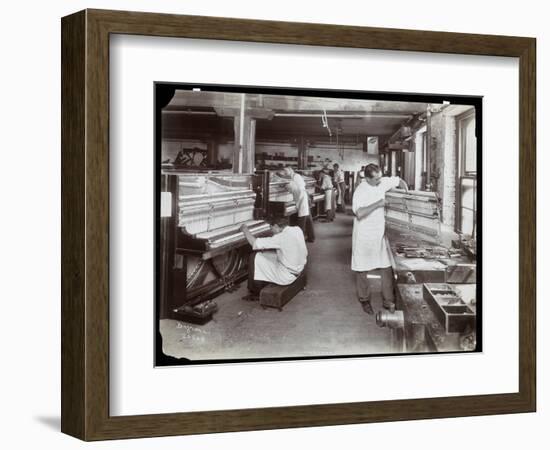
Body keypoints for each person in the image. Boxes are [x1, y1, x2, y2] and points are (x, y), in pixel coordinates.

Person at [352, 163, 408, 315]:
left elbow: (399, 181)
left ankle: (388, 301)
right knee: (362, 269)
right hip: (364, 235)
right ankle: (364, 300)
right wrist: (378, 204)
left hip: (380, 233)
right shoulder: (360, 190)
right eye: (376, 179)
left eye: (380, 177)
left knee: (386, 267)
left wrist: (406, 195)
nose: (379, 181)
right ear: (368, 178)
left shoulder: (381, 182)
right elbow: (359, 213)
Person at [240, 218, 308, 301]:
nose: (271, 231)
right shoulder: (297, 229)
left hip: (286, 276)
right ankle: (262, 282)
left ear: (276, 226)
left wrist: (245, 229)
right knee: (267, 254)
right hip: (298, 269)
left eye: (271, 228)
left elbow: (254, 243)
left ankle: (255, 292)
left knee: (254, 256)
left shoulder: (281, 237)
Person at [283, 166, 315, 242]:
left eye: (286, 171)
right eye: (285, 172)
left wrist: (297, 203)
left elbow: (298, 189)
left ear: (290, 170)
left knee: (302, 220)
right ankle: (311, 237)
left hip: (302, 198)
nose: (285, 173)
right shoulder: (293, 178)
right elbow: (294, 188)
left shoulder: (296, 176)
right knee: (308, 219)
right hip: (302, 198)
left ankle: (300, 239)